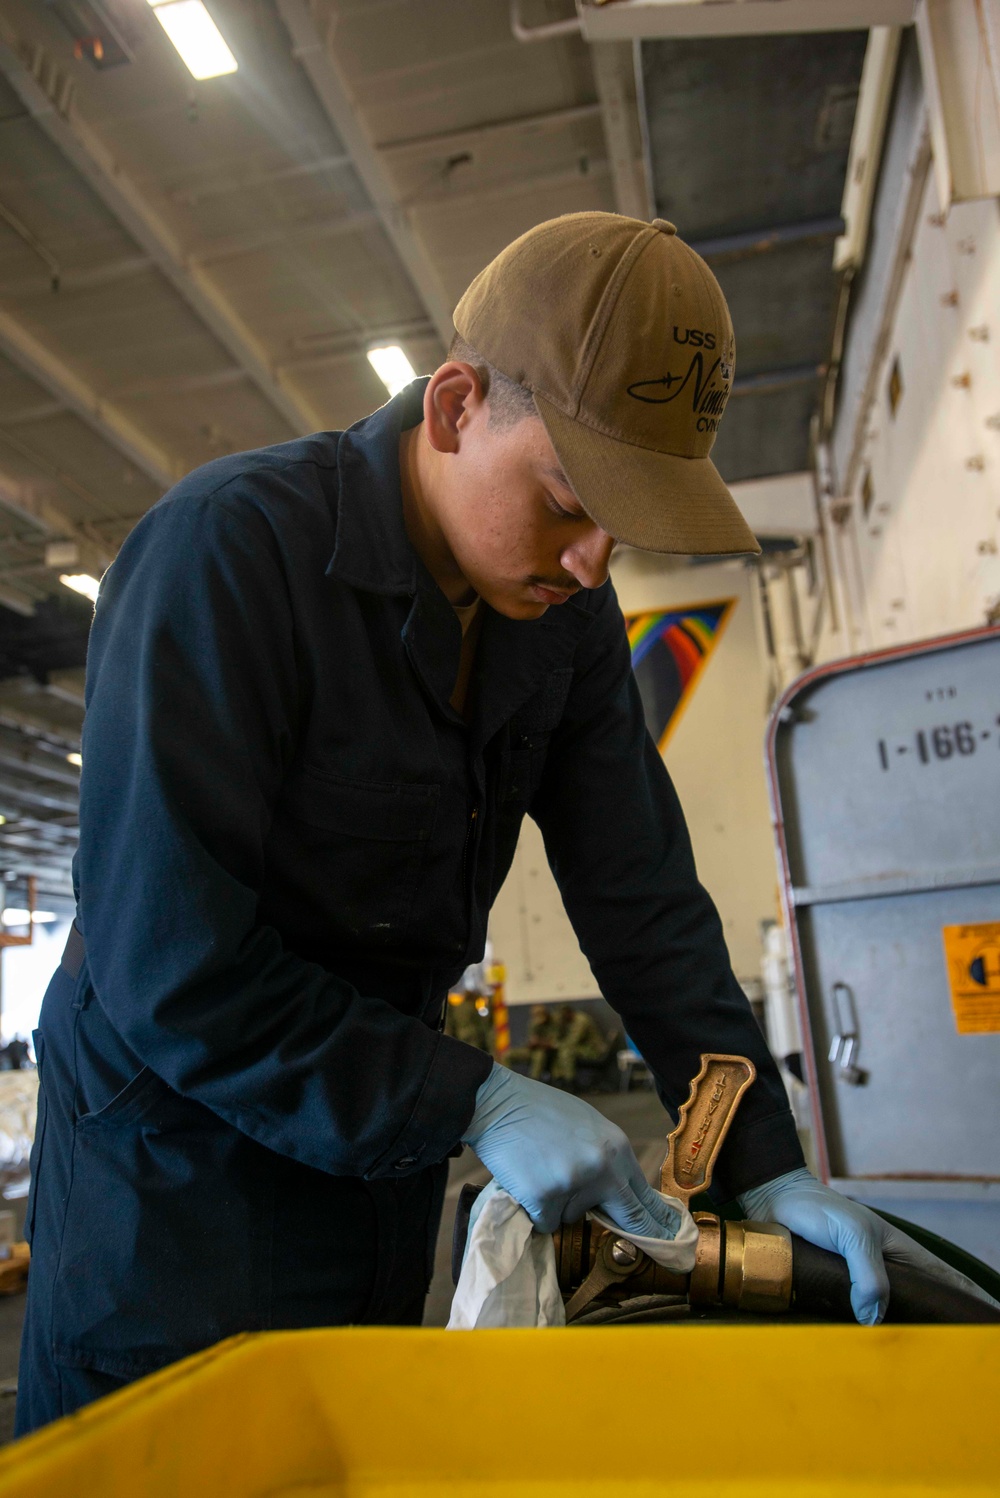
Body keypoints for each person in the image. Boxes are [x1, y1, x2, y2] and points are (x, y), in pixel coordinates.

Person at [18, 212, 922, 1434]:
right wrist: (472, 1102)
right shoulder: (229, 556)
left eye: (624, 524)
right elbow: (168, 967)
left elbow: (642, 895)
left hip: (377, 1166)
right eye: (566, 501)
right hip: (171, 1182)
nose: (595, 563)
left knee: (365, 1449)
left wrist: (756, 1150)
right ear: (453, 408)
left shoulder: (559, 618)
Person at [549, 1006, 607, 1089]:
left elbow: (573, 1041)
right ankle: (558, 1079)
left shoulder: (581, 1020)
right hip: (581, 1048)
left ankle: (570, 1082)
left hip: (593, 1049)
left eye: (563, 1016)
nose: (562, 1018)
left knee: (566, 1052)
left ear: (568, 1013)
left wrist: (556, 1044)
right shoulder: (568, 1022)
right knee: (558, 1053)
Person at [505, 1004, 559, 1081]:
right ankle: (508, 1080)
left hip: (547, 1052)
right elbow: (530, 1041)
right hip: (532, 1050)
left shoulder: (553, 1023)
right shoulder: (533, 1024)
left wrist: (539, 1042)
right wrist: (532, 1043)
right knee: (508, 1054)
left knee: (539, 1056)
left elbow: (553, 1044)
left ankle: (534, 1081)